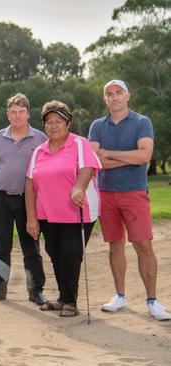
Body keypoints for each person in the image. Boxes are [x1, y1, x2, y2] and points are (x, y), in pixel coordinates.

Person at [88, 80, 170, 321]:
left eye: (118, 93)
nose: (114, 97)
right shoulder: (96, 126)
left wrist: (110, 154)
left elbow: (145, 155)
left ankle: (152, 301)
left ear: (127, 96)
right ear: (105, 99)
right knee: (115, 244)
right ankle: (120, 296)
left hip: (134, 192)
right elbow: (95, 162)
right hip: (106, 192)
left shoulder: (142, 122)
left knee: (143, 245)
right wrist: (129, 157)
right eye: (109, 94)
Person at [25, 101, 101, 317]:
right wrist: (32, 217)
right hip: (48, 212)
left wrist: (79, 186)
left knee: (70, 253)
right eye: (49, 122)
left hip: (77, 209)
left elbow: (88, 168)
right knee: (55, 253)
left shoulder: (79, 143)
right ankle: (63, 297)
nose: (53, 126)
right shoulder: (39, 151)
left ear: (68, 123)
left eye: (58, 121)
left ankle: (69, 301)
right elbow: (30, 183)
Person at [0, 93, 47, 305]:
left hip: (29, 200)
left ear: (28, 113)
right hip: (0, 198)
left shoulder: (40, 138)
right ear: (8, 115)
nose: (17, 116)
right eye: (13, 112)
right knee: (1, 246)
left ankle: (35, 291)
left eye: (21, 112)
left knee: (31, 246)